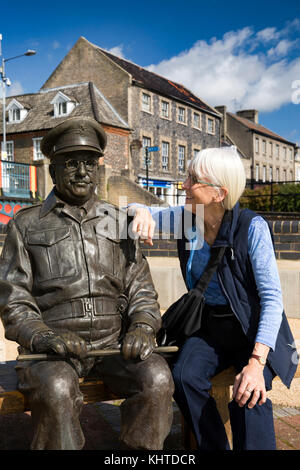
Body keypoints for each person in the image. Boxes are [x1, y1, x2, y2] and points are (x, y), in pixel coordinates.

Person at [0, 117, 174, 450]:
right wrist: (45, 336)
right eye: (71, 164)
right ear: (53, 172)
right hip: (50, 353)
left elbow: (141, 290)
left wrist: (141, 327)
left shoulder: (119, 222)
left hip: (113, 346)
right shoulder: (26, 225)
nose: (83, 172)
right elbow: (13, 299)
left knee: (157, 377)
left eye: (90, 164)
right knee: (58, 388)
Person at [128, 146, 298, 450]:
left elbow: (272, 299)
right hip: (210, 328)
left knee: (249, 394)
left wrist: (257, 363)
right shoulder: (185, 219)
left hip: (252, 330)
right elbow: (126, 210)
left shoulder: (251, 228)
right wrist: (140, 211)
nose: (184, 185)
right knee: (183, 377)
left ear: (219, 193)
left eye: (193, 179)